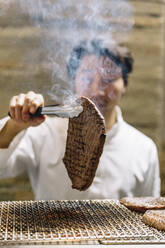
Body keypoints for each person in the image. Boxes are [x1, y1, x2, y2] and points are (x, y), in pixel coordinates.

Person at [0, 40, 160, 200]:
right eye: (88, 79)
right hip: (48, 225)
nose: (97, 90)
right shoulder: (44, 132)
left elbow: (147, 209)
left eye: (109, 79)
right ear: (74, 81)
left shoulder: (144, 148)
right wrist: (15, 125)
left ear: (124, 83)